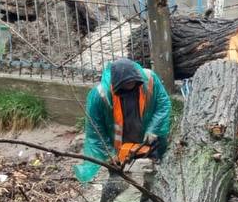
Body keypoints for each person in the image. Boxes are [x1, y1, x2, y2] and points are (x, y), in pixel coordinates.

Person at [74, 58, 172, 191]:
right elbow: (96, 131)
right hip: (120, 148)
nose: (130, 88)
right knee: (117, 183)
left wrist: (154, 129)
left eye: (133, 84)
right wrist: (109, 153)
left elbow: (162, 104)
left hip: (149, 140)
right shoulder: (100, 95)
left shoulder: (149, 79)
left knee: (153, 179)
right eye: (126, 87)